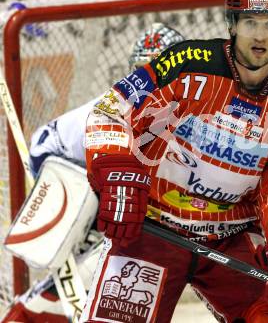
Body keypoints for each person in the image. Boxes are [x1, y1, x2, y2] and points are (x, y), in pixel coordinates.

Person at [82, 0, 268, 323]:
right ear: (232, 23)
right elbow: (110, 111)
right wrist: (115, 167)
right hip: (154, 228)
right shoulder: (185, 64)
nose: (260, 35)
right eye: (250, 22)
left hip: (233, 237)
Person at [0, 23, 186, 323]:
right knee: (99, 276)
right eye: (145, 70)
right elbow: (44, 144)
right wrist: (82, 201)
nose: (157, 85)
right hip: (87, 187)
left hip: (142, 210)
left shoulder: (204, 114)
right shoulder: (110, 110)